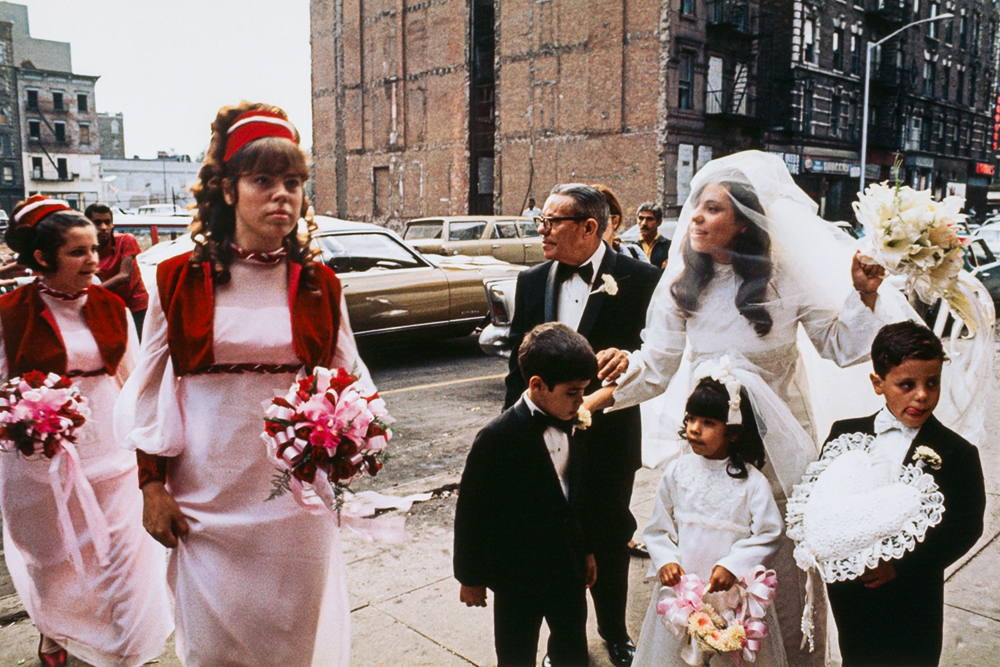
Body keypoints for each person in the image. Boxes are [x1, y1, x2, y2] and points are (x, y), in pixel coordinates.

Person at [588, 151, 893, 664]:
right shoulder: (684, 283)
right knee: (709, 581)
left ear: (745, 223)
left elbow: (840, 346)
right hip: (709, 459)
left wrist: (863, 297)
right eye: (696, 208)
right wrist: (595, 399)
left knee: (779, 575)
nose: (696, 219)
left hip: (778, 458)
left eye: (712, 210)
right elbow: (657, 366)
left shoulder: (785, 280)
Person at [115, 102, 373, 665]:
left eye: (293, 182)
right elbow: (151, 391)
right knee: (211, 645)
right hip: (205, 496)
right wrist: (150, 485)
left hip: (293, 501)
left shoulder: (320, 282)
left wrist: (352, 444)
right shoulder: (175, 277)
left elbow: (349, 382)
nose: (282, 195)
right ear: (228, 190)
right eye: (263, 180)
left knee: (290, 635)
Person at [0, 196, 171, 667]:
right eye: (78, 252)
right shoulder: (9, 312)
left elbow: (134, 379)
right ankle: (55, 632)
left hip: (112, 457)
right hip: (40, 464)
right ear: (42, 258)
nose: (93, 260)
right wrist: (20, 418)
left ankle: (123, 650)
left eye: (94, 249)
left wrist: (149, 446)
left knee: (121, 564)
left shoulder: (112, 305)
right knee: (56, 567)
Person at [503, 183, 662, 666]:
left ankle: (615, 630)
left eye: (552, 222)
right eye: (541, 221)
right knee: (557, 543)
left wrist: (628, 359)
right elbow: (517, 364)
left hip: (610, 438)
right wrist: (515, 431)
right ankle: (564, 641)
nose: (542, 231)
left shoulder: (639, 279)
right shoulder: (532, 281)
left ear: (589, 227)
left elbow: (657, 356)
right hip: (544, 440)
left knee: (609, 539)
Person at [823, 321, 985, 666]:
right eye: (907, 385)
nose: (922, 395)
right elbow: (825, 501)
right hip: (853, 592)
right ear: (878, 383)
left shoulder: (957, 453)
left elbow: (966, 526)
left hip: (914, 593)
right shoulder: (844, 434)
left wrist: (899, 566)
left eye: (932, 383)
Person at [456, 322, 598, 666]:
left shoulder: (572, 421)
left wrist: (588, 550)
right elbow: (472, 513)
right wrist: (470, 578)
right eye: (573, 392)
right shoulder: (496, 439)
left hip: (567, 568)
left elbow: (578, 498)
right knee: (516, 653)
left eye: (584, 391)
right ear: (537, 385)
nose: (582, 401)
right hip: (517, 577)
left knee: (572, 648)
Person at [634, 374, 785, 667]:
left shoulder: (752, 483)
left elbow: (769, 533)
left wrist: (733, 565)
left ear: (733, 432)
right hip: (683, 591)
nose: (694, 429)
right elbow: (658, 528)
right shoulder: (677, 472)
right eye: (691, 419)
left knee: (728, 656)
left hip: (728, 596)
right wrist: (665, 559)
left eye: (708, 423)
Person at [85, 203, 149, 338]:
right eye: (97, 223)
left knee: (137, 347)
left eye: (107, 222)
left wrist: (91, 292)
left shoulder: (126, 240)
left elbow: (124, 275)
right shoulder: (86, 248)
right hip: (107, 307)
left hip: (134, 306)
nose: (103, 227)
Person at [593, 184, 647, 263]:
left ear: (615, 221)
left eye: (600, 219)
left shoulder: (635, 255)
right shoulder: (573, 262)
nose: (592, 227)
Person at [636, 202, 670, 268]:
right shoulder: (632, 248)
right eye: (641, 218)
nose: (644, 223)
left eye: (649, 219)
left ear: (659, 222)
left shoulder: (669, 247)